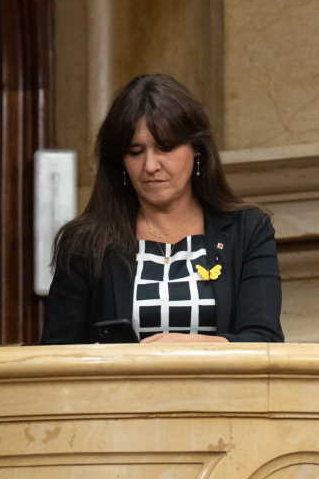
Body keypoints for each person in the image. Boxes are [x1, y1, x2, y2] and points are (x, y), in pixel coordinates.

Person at [42, 74, 283, 345]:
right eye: (136, 151)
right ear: (121, 161)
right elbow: (57, 352)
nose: (150, 166)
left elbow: (265, 340)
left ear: (197, 150)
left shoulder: (247, 229)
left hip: (221, 388)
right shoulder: (85, 243)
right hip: (120, 388)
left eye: (164, 148)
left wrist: (192, 348)